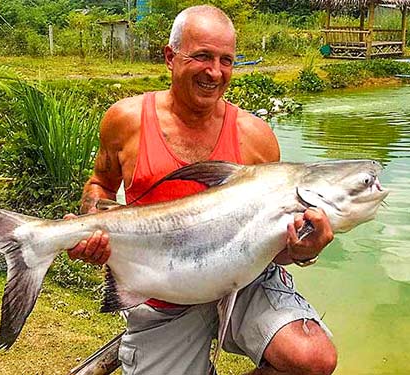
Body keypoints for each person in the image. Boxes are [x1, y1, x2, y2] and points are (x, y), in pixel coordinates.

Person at [65, 5, 337, 375]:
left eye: (226, 60)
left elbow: (274, 245)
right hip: (164, 293)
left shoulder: (256, 138)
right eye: (202, 56)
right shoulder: (126, 120)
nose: (215, 72)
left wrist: (303, 251)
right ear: (169, 57)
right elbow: (100, 185)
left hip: (244, 283)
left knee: (313, 359)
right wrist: (90, 226)